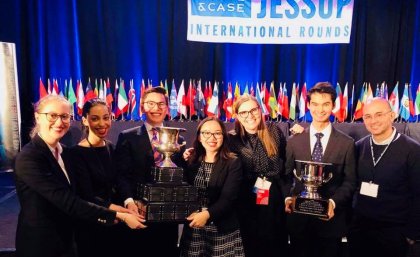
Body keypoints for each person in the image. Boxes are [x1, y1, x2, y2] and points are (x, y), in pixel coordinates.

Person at [13, 95, 144, 257]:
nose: (59, 122)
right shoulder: (29, 157)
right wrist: (120, 215)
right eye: (52, 115)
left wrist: (128, 203)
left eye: (65, 116)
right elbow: (69, 201)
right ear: (37, 117)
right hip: (41, 245)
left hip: (68, 240)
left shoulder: (64, 152)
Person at [284, 82, 356, 257]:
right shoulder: (294, 141)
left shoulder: (347, 143)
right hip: (299, 220)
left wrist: (332, 203)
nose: (320, 109)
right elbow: (285, 176)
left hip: (331, 222)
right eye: (315, 104)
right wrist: (288, 197)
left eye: (326, 104)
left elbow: (350, 181)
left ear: (333, 105)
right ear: (308, 105)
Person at [67, 98, 145, 257]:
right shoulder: (75, 154)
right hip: (92, 225)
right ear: (85, 120)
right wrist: (124, 213)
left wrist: (130, 203)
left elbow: (119, 181)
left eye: (106, 117)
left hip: (114, 223)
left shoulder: (110, 147)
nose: (102, 123)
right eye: (95, 118)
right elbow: (87, 196)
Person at [114, 86, 185, 256]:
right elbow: (121, 174)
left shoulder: (178, 139)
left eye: (161, 104)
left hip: (168, 215)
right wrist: (130, 201)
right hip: (139, 212)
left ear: (167, 108)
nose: (156, 108)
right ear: (142, 106)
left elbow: (180, 174)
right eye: (151, 103)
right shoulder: (128, 137)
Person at [347, 97, 420, 257]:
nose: (373, 121)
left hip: (394, 231)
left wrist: (412, 233)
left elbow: (418, 195)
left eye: (379, 114)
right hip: (360, 228)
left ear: (392, 115)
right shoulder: (359, 147)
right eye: (368, 116)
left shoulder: (413, 150)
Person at [228, 94, 289, 257]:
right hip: (245, 195)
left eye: (253, 110)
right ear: (237, 116)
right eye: (244, 112)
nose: (250, 116)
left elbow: (287, 160)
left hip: (273, 193)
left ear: (260, 110)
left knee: (273, 239)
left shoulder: (274, 131)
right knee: (250, 240)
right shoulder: (231, 138)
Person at [179, 117, 244, 257]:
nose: (212, 137)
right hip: (194, 227)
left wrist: (207, 215)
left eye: (217, 133)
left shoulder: (233, 162)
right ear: (199, 137)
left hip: (221, 228)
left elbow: (229, 198)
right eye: (206, 133)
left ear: (223, 137)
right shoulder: (191, 160)